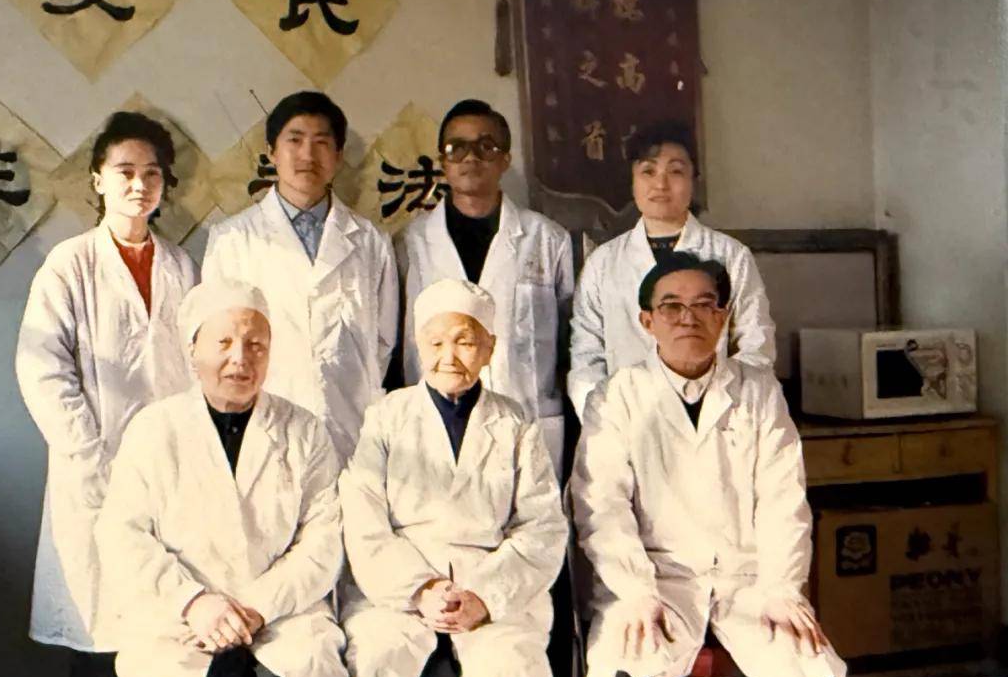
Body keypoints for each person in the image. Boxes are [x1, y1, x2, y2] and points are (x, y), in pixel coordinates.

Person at [570, 252, 845, 677]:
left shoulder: (758, 391)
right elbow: (601, 508)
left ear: (723, 317)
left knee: (812, 672)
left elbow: (784, 500)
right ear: (647, 321)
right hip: (656, 579)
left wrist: (782, 587)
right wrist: (635, 590)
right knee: (626, 670)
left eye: (703, 304)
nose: (688, 318)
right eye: (671, 306)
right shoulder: (617, 396)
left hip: (750, 580)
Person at [15, 111, 198, 677]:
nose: (139, 184)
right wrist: (91, 456)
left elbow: (197, 368)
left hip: (168, 473)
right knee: (97, 631)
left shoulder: (180, 265)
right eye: (124, 171)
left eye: (152, 172)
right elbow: (42, 369)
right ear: (98, 178)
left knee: (163, 641)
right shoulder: (70, 264)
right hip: (93, 472)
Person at [96, 280, 348, 677]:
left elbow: (323, 540)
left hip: (282, 615)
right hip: (179, 618)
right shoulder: (154, 429)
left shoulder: (303, 430)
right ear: (193, 350)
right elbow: (122, 535)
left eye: (256, 345)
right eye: (224, 342)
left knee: (312, 664)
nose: (240, 359)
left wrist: (257, 607)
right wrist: (194, 602)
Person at [339, 279, 567, 677]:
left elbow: (542, 526)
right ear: (418, 346)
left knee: (513, 667)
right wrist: (422, 590)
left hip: (492, 592)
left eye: (465, 342)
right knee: (378, 656)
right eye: (436, 343)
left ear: (489, 348)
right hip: (398, 593)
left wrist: (483, 596)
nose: (449, 357)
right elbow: (363, 521)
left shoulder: (516, 423)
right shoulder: (386, 417)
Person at [203, 91, 398, 463]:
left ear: (338, 155)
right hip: (262, 425)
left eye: (321, 142)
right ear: (272, 152)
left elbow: (383, 342)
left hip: (352, 426)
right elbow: (216, 344)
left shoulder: (370, 241)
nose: (308, 155)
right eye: (294, 140)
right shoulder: (232, 240)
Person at [397, 99, 574, 477]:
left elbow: (569, 339)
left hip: (527, 418)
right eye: (456, 147)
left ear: (505, 158)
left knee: (531, 511)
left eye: (485, 146)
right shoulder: (411, 243)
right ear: (442, 161)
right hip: (437, 421)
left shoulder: (547, 239)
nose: (470, 157)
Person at [568, 121, 775, 418]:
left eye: (675, 171)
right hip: (626, 420)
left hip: (715, 417)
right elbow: (586, 356)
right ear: (632, 180)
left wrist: (721, 411)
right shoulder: (603, 262)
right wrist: (608, 418)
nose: (661, 184)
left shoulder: (732, 256)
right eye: (648, 171)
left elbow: (756, 347)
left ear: (694, 180)